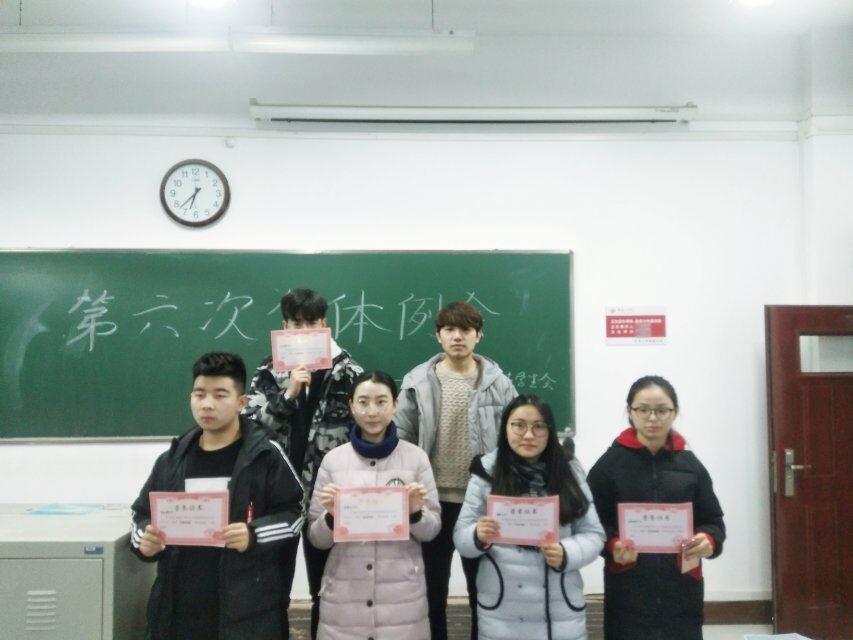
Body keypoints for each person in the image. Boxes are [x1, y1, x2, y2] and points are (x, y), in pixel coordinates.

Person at [130, 352, 304, 640]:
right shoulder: (172, 460)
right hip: (178, 612)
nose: (207, 404)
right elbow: (140, 514)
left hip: (246, 613)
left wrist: (253, 535)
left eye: (220, 395)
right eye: (199, 394)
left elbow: (296, 514)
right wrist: (144, 541)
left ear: (241, 402)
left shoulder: (265, 456)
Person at [243, 288, 362, 639]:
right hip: (277, 497)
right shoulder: (268, 371)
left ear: (324, 324)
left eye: (312, 323)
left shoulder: (349, 372)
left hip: (329, 498)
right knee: (272, 591)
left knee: (327, 590)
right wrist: (288, 394)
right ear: (285, 326)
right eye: (296, 323)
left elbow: (363, 433)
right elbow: (250, 430)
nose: (304, 330)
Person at [395, 300, 517, 640]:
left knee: (485, 593)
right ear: (439, 336)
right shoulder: (417, 382)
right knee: (432, 593)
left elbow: (515, 438)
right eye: (449, 329)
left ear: (479, 335)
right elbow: (402, 439)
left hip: (481, 504)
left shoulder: (500, 384)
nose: (458, 336)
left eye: (466, 329)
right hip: (432, 504)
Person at [453, 394, 605, 640]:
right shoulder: (486, 473)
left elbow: (594, 534)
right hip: (503, 611)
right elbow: (461, 537)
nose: (528, 435)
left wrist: (566, 552)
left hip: (559, 612)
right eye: (519, 425)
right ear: (505, 428)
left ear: (550, 431)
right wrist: (478, 536)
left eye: (539, 426)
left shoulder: (569, 472)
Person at [587, 375, 726, 640]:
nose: (652, 418)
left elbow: (714, 522)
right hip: (628, 588)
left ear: (675, 412)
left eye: (662, 410)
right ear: (630, 411)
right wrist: (613, 545)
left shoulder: (691, 465)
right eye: (643, 409)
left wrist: (708, 540)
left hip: (682, 588)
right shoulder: (609, 465)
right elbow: (590, 522)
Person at [307, 370, 441, 640]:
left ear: (395, 405)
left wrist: (415, 514)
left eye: (381, 402)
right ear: (351, 406)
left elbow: (432, 530)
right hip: (345, 600)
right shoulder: (333, 460)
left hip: (402, 600)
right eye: (363, 402)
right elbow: (317, 539)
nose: (372, 411)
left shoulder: (415, 459)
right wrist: (331, 517)